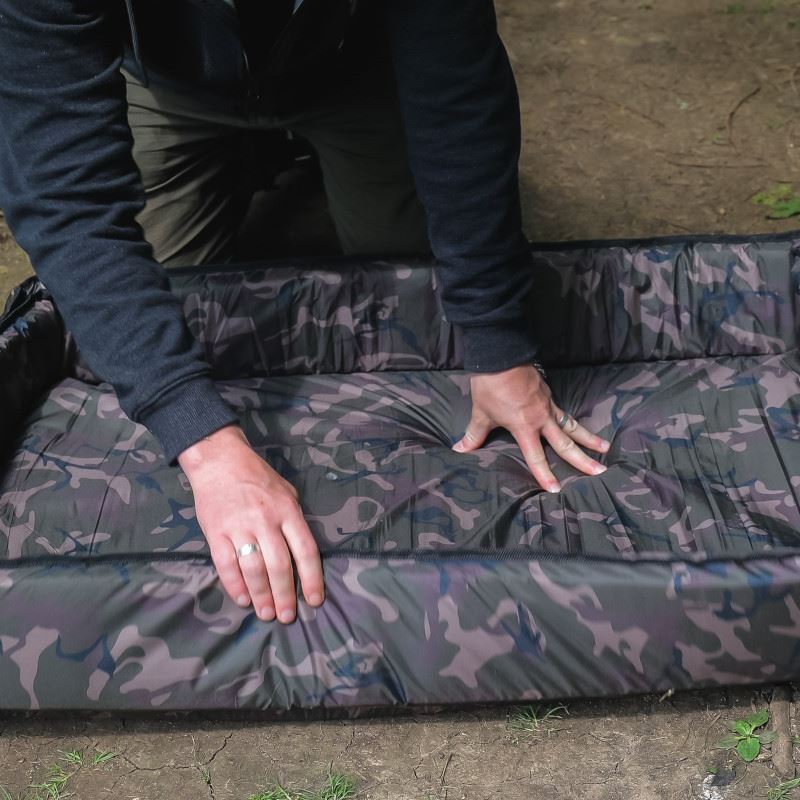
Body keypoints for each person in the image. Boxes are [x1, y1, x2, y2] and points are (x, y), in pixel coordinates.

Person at [0, 0, 609, 626]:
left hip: (353, 65)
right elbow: (66, 195)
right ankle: (250, 161)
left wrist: (498, 339)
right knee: (143, 314)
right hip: (168, 84)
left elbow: (458, 98)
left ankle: (322, 159)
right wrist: (203, 444)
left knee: (416, 288)